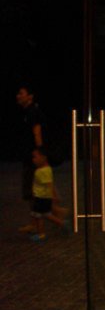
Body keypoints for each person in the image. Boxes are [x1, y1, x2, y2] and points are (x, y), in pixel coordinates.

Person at [16, 85, 46, 230]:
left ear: (30, 96)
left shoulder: (33, 112)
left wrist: (39, 153)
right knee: (36, 190)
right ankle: (37, 222)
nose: (18, 96)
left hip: (33, 157)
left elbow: (37, 132)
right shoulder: (27, 111)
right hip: (29, 156)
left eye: (21, 93)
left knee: (33, 191)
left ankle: (38, 226)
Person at [27, 147, 67, 242]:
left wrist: (54, 196)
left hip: (42, 198)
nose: (33, 159)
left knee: (40, 216)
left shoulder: (43, 171)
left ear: (43, 158)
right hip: (41, 197)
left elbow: (49, 184)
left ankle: (42, 233)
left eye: (35, 157)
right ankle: (60, 224)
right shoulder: (45, 169)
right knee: (42, 215)